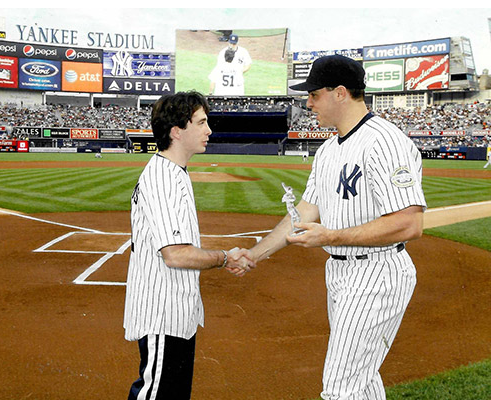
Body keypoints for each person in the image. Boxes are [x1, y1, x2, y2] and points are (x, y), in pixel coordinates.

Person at [248, 55, 427, 400]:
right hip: (341, 272)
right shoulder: (328, 149)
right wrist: (255, 254)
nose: (308, 102)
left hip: (377, 273)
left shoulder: (385, 142)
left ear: (340, 92)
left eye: (314, 95)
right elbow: (304, 213)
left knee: (341, 387)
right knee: (362, 379)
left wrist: (331, 236)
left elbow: (409, 223)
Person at [124, 91, 255, 400]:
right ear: (176, 131)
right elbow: (176, 254)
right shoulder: (163, 178)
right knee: (154, 394)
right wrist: (225, 258)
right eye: (201, 122)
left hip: (177, 310)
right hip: (162, 313)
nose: (209, 130)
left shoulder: (174, 173)